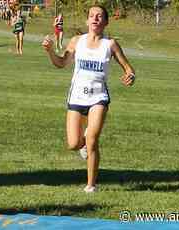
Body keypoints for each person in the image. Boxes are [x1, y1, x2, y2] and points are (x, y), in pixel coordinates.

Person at [42, 5, 136, 193]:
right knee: (73, 144)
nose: (95, 19)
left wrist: (130, 75)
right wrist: (50, 51)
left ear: (106, 22)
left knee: (92, 140)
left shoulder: (110, 45)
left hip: (98, 98)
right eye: (92, 16)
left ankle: (91, 186)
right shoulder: (77, 41)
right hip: (76, 97)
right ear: (87, 21)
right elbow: (61, 63)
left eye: (99, 16)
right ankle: (83, 145)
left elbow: (128, 68)